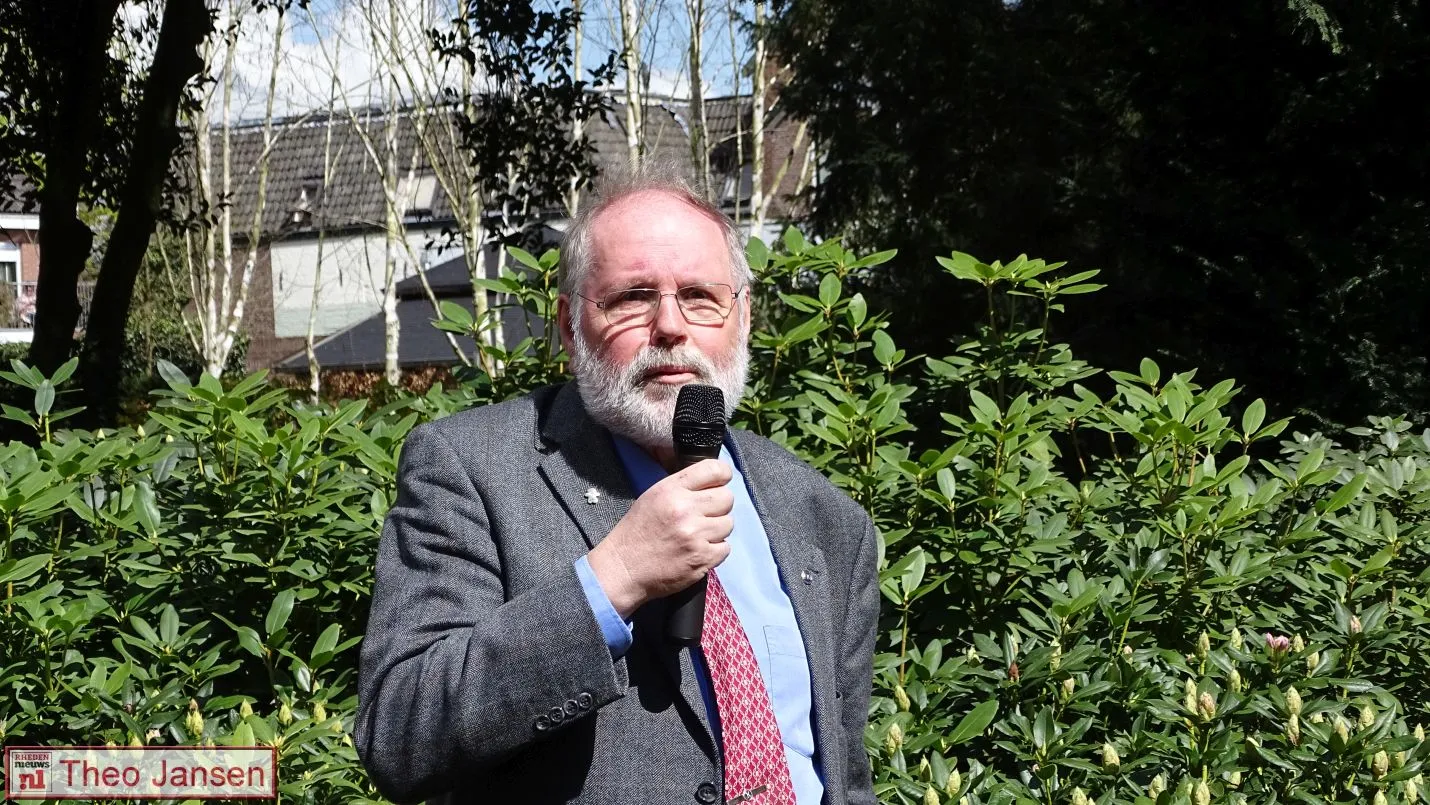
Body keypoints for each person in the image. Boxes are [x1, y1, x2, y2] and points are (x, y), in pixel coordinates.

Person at [355, 166, 880, 805]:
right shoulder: (471, 470)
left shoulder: (825, 520)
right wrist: (612, 580)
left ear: (742, 319)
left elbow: (845, 775)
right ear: (571, 328)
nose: (670, 326)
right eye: (632, 296)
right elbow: (400, 734)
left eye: (700, 295)